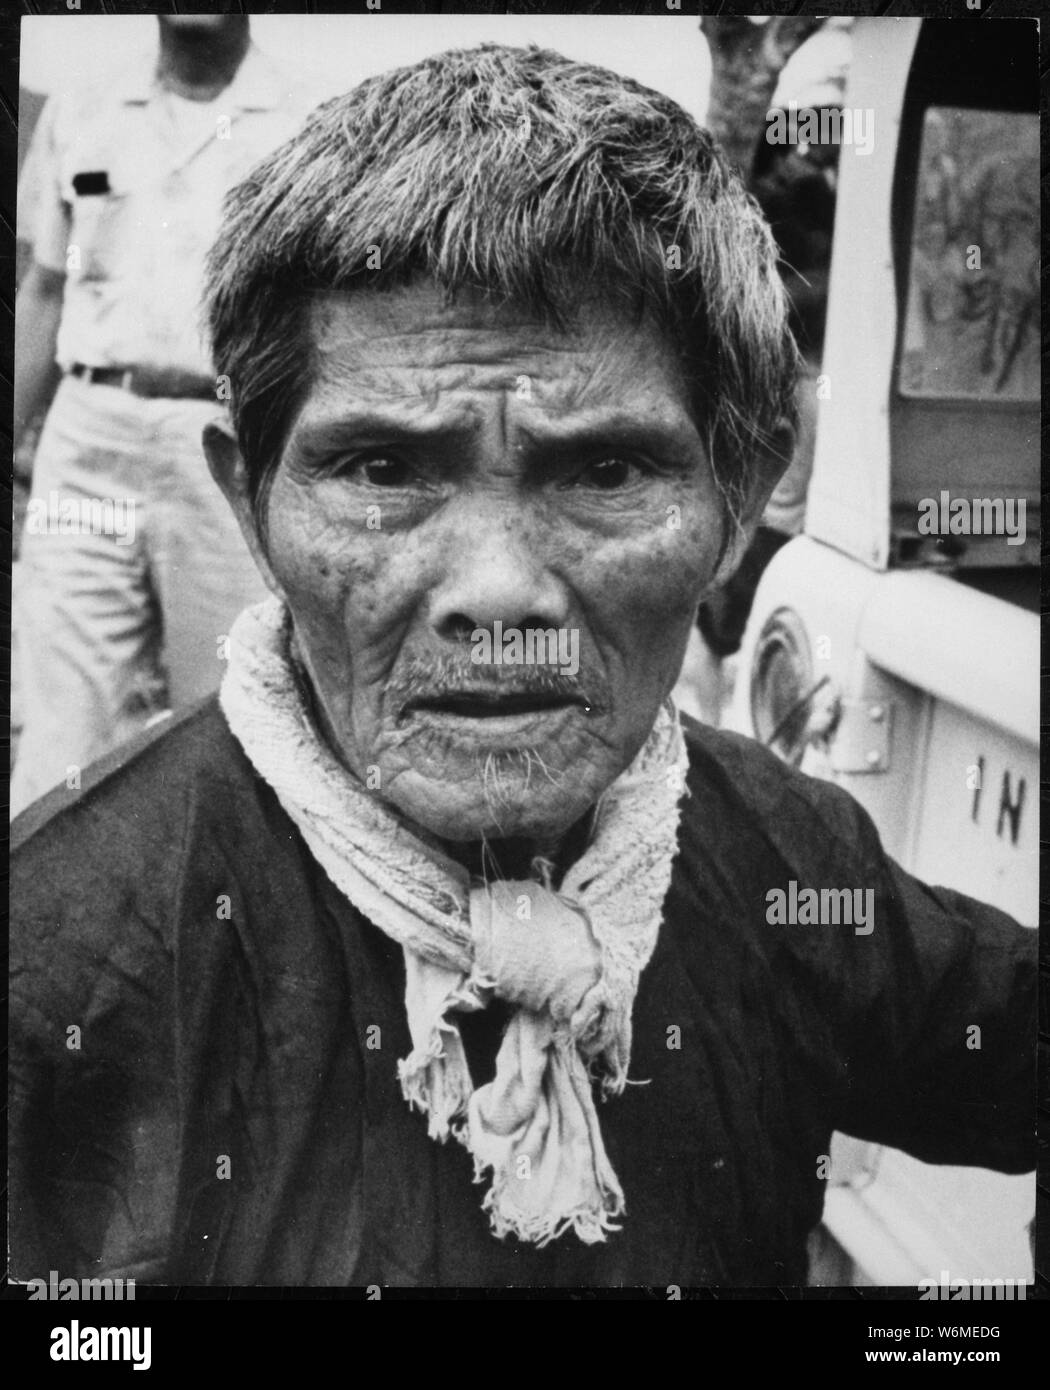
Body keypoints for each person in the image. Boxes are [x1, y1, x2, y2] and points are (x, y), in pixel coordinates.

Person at [10, 45, 1034, 1289]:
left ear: (743, 493)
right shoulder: (59, 956)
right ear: (250, 503)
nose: (498, 595)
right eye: (384, 470)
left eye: (604, 471)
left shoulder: (791, 864)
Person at [11, 14, 318, 816]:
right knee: (61, 732)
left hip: (224, 443)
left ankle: (214, 924)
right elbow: (44, 290)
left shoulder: (301, 120)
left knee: (231, 714)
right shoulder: (84, 109)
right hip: (89, 432)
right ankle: (50, 929)